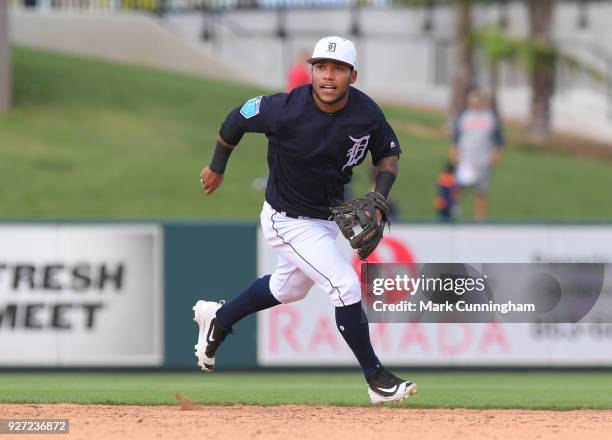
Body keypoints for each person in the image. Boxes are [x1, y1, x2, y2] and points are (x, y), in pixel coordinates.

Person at [197, 36, 417, 404]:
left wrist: (380, 196)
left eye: (338, 69)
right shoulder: (283, 108)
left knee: (289, 290)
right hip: (286, 218)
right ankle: (376, 378)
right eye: (321, 67)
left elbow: (388, 156)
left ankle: (219, 318)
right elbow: (235, 119)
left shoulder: (366, 113)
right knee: (345, 285)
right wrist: (217, 167)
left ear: (352, 75)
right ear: (311, 71)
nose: (328, 76)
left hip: (326, 219)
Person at [450, 89, 505, 221]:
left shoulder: (490, 118)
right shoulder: (463, 117)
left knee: (481, 192)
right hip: (466, 159)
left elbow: (499, 140)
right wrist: (454, 154)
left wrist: (496, 155)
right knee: (458, 189)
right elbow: (456, 139)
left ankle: (479, 220)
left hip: (483, 160)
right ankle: (452, 215)